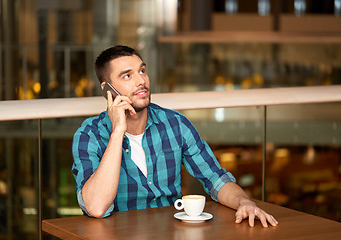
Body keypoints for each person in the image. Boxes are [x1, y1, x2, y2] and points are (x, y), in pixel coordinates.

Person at [72, 45, 278, 227]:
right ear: (107, 89)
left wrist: (244, 202)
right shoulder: (89, 134)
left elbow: (215, 177)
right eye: (127, 76)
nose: (141, 81)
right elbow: (96, 207)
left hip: (170, 233)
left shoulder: (175, 124)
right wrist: (118, 131)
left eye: (142, 71)